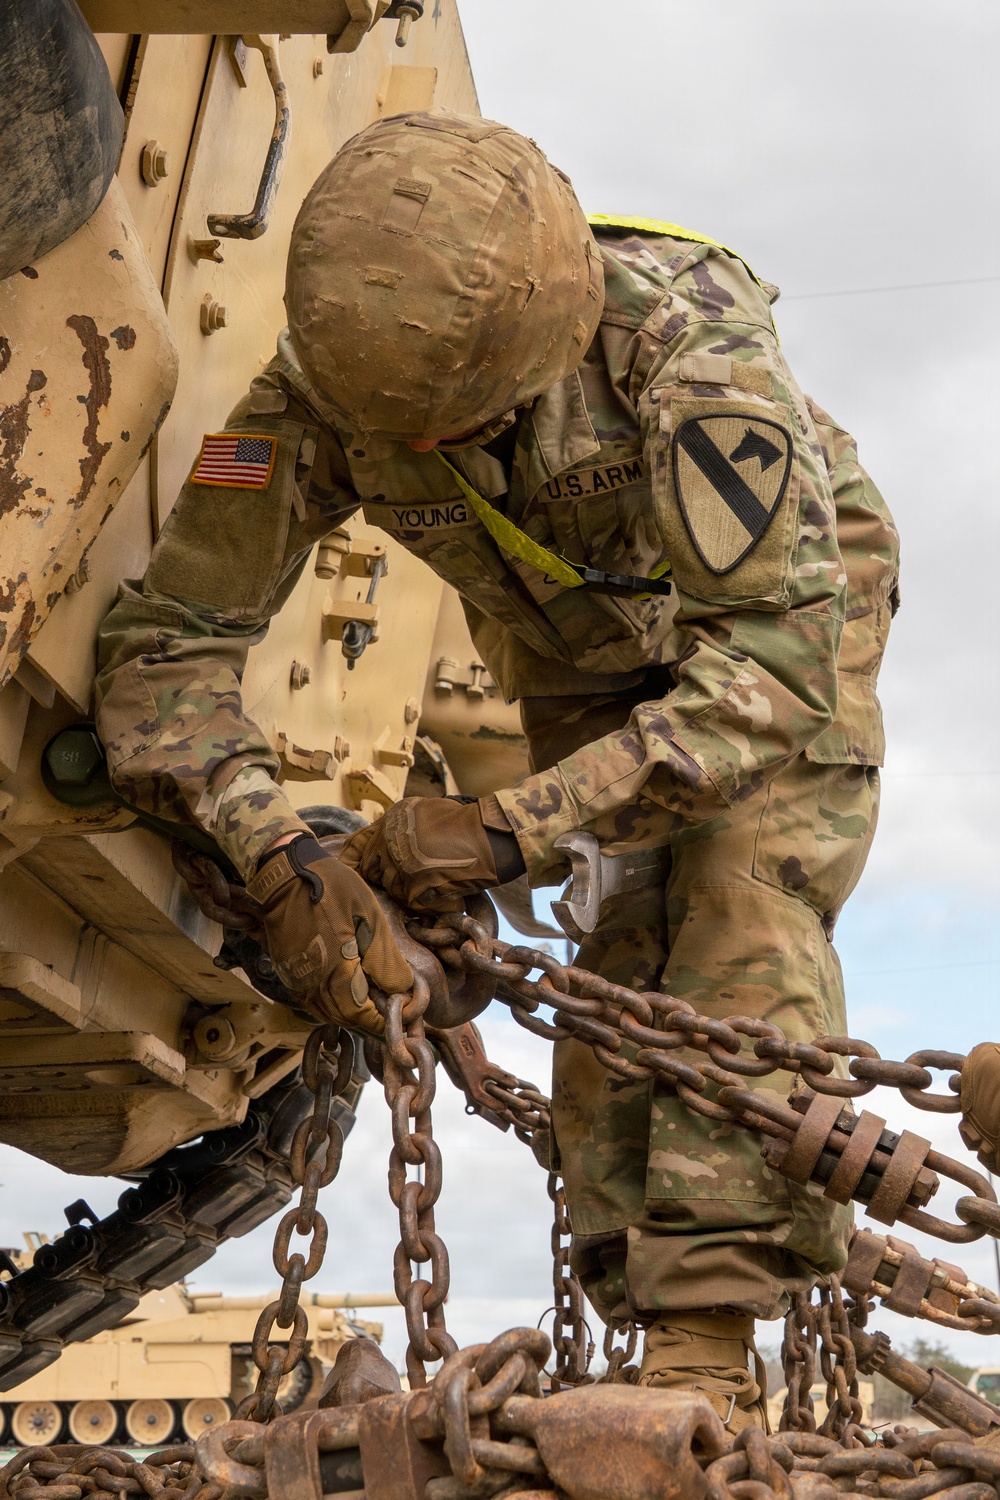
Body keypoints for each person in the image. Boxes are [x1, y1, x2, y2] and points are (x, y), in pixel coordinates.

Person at [95, 111, 900, 1428]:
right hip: (579, 663)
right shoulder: (321, 393)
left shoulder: (692, 352)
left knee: (741, 905)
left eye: (456, 430)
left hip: (775, 629)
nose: (414, 458)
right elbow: (164, 654)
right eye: (389, 440)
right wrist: (278, 855)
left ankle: (703, 1352)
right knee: (611, 971)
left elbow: (771, 674)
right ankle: (634, 1321)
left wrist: (496, 834)